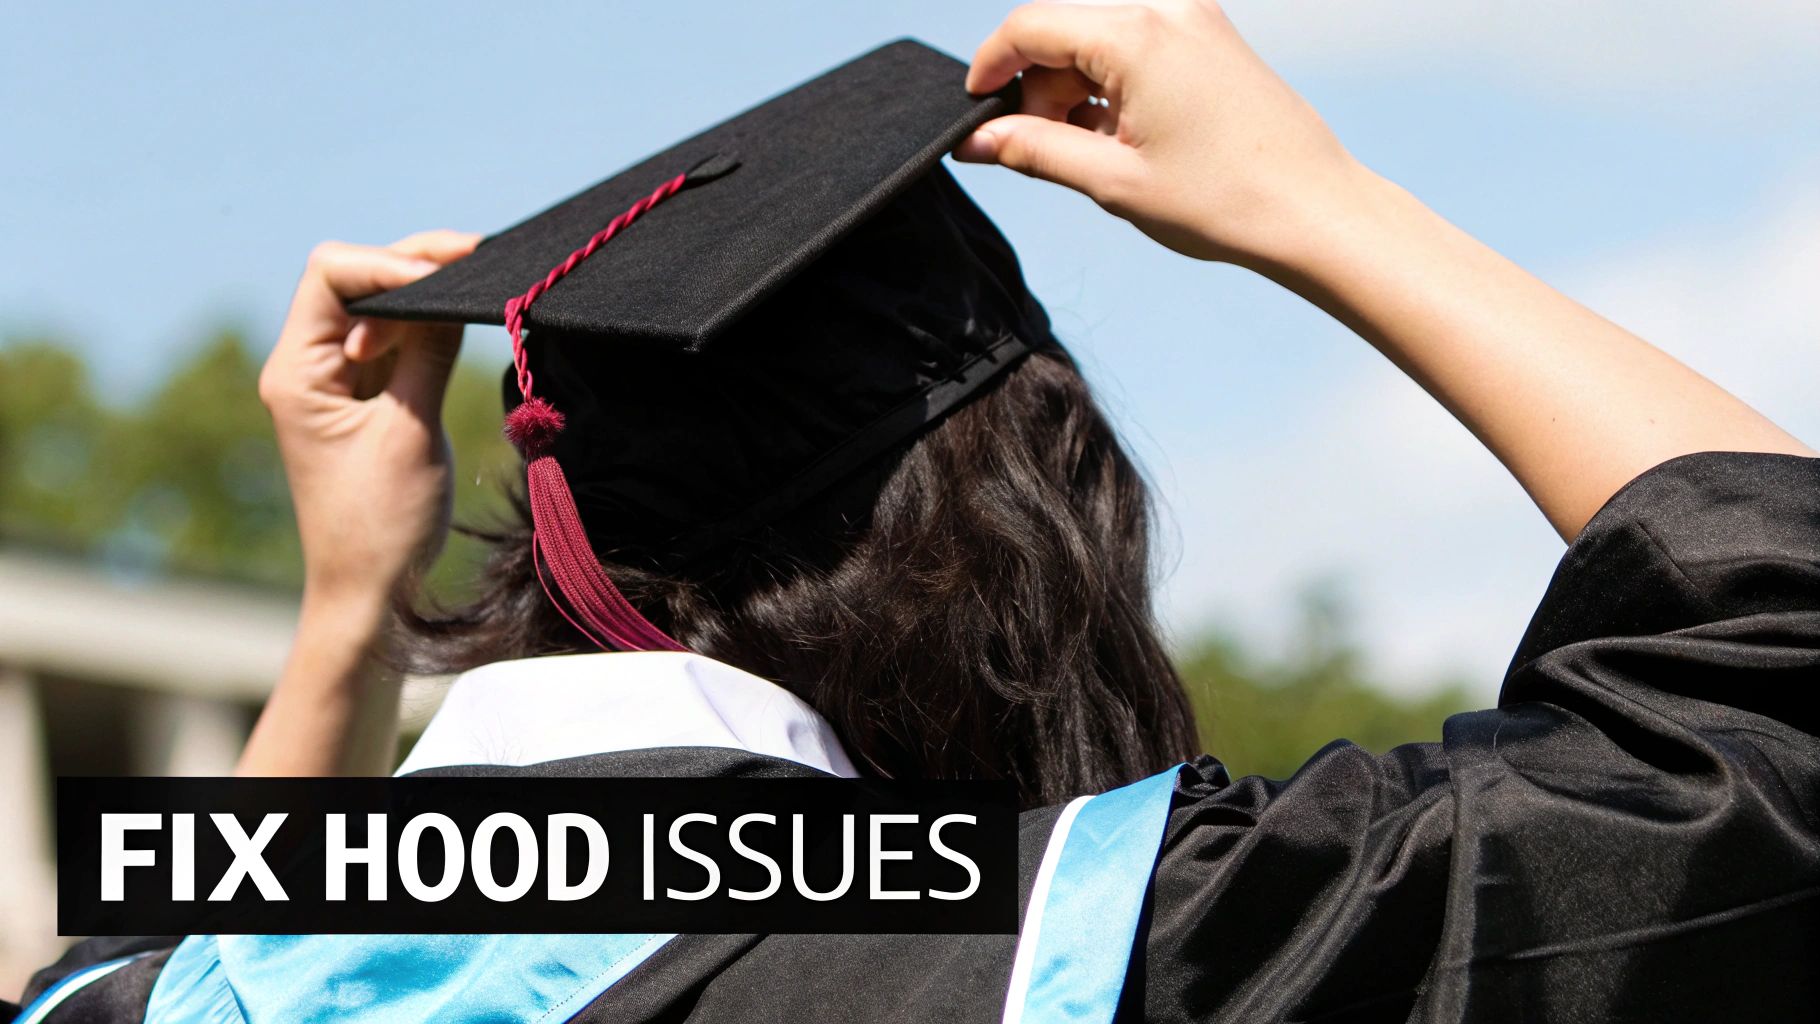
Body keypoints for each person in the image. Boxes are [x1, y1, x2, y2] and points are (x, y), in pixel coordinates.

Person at [13, 3, 1817, 1022]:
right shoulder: (1063, 950)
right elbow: (1774, 703)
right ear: (1022, 555)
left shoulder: (144, 1008)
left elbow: (162, 946)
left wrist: (344, 612)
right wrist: (1327, 208)